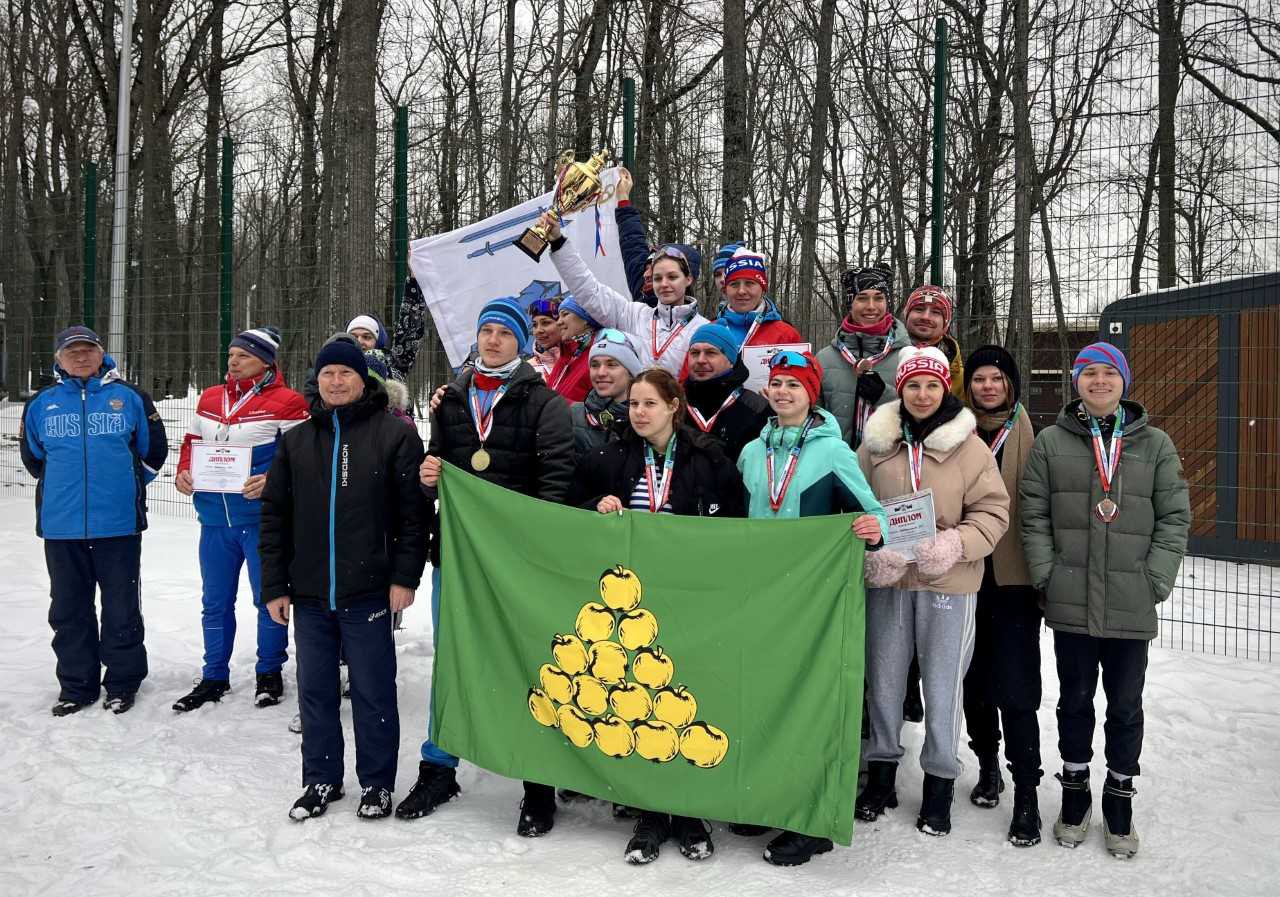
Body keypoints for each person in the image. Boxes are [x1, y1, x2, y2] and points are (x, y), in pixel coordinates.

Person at [397, 297, 575, 838]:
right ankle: (438, 764)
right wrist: (428, 475)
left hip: (517, 561)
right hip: (457, 553)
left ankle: (536, 780)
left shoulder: (544, 401)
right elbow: (439, 467)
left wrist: (534, 549)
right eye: (486, 330)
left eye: (504, 332)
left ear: (522, 341)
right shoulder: (451, 400)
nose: (493, 340)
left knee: (526, 659)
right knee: (453, 656)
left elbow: (557, 479)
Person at [1021, 342, 1189, 859]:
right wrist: (1048, 576)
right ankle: (1075, 792)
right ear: (1076, 382)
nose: (1099, 382)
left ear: (1124, 382)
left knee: (1126, 706)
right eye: (1089, 373)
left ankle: (1119, 798)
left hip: (1130, 601)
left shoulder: (1155, 444)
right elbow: (1034, 514)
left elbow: (1174, 519)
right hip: (1071, 600)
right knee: (1073, 701)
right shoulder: (1050, 442)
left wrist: (1154, 580)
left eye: (1108, 374)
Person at [572, 368, 744, 865]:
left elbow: (736, 522)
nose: (639, 413)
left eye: (649, 403)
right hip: (631, 602)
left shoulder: (708, 458)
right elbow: (565, 507)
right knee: (641, 701)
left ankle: (689, 812)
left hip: (690, 598)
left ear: (674, 405)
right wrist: (594, 505)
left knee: (684, 698)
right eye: (633, 405)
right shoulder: (609, 455)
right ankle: (649, 814)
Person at [260, 339, 426, 822]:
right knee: (315, 691)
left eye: (345, 374)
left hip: (369, 590)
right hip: (309, 594)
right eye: (328, 373)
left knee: (374, 691)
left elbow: (413, 517)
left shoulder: (393, 436)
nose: (336, 382)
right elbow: (274, 516)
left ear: (363, 380)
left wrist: (404, 577)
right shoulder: (296, 441)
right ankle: (321, 779)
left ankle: (376, 783)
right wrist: (274, 585)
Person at [737, 350, 888, 866]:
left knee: (809, 705)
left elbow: (872, 514)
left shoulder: (833, 451)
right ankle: (768, 799)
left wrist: (875, 530)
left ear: (811, 395)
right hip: (761, 595)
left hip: (814, 602)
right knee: (765, 699)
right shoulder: (751, 452)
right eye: (775, 384)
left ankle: (812, 819)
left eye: (792, 386)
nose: (781, 393)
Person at [854, 346, 1009, 839]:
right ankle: (880, 775)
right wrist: (871, 553)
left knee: (942, 686)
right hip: (890, 579)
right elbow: (853, 505)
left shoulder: (970, 448)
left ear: (945, 388)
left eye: (931, 385)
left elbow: (993, 513)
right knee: (883, 679)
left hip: (949, 581)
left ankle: (940, 780)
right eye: (913, 384)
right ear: (900, 388)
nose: (922, 394)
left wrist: (955, 543)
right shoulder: (875, 444)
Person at [20, 326, 168, 717]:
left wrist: (126, 484)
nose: (81, 357)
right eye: (72, 352)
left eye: (89, 350)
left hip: (118, 524)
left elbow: (154, 451)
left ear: (103, 354)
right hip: (61, 526)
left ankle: (122, 680)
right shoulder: (41, 404)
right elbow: (34, 459)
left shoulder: (130, 397)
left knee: (121, 607)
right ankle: (77, 684)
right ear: (58, 359)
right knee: (68, 609)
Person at [172, 327, 310, 713]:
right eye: (231, 354)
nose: (233, 361)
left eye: (244, 356)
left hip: (262, 521)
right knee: (214, 602)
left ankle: (269, 671)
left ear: (266, 362)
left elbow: (302, 460)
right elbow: (190, 445)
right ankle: (214, 674)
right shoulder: (211, 398)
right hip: (214, 519)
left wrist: (272, 482)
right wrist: (185, 471)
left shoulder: (289, 403)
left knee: (268, 599)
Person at [958, 345, 1042, 846]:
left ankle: (1027, 788)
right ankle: (988, 766)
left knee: (1016, 685)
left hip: (1014, 579)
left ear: (1011, 385)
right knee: (972, 680)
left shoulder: (1038, 440)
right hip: (966, 574)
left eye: (998, 379)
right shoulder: (956, 434)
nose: (988, 387)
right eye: (980, 379)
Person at [542, 211, 709, 376]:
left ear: (688, 279)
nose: (664, 284)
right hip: (635, 403)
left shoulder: (703, 329)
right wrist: (558, 242)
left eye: (672, 277)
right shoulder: (635, 315)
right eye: (657, 278)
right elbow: (589, 290)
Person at [817, 265, 912, 449]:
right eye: (862, 298)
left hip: (890, 466)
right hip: (837, 466)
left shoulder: (907, 356)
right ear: (850, 303)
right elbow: (811, 420)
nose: (871, 306)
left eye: (879, 298)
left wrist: (884, 395)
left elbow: (923, 415)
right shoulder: (825, 359)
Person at [612, 169, 702, 307]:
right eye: (647, 269)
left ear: (687, 279)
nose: (646, 275)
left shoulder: (700, 327)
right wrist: (623, 196)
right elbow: (632, 242)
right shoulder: (641, 292)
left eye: (654, 270)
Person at [682, 322, 770, 461]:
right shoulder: (673, 403)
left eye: (711, 353)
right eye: (694, 353)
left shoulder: (757, 408)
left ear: (731, 361)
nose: (700, 360)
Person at [569, 328, 642, 461]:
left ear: (632, 372)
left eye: (611, 365)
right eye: (595, 365)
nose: (601, 373)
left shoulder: (647, 418)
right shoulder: (573, 415)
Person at [715, 248, 803, 354]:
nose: (741, 291)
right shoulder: (710, 330)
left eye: (749, 283)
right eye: (734, 284)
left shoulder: (786, 334)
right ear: (725, 290)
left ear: (763, 289)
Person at [346, 273, 428, 381]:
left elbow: (409, 333)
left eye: (367, 337)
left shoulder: (390, 368)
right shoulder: (330, 368)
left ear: (378, 342)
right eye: (353, 337)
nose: (359, 341)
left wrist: (414, 282)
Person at [901, 285, 964, 399]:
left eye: (935, 312)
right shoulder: (883, 357)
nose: (926, 317)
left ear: (946, 323)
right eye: (919, 309)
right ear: (906, 315)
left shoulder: (961, 377)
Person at [545, 296, 599, 403]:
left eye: (565, 314)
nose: (558, 322)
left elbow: (596, 411)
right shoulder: (567, 355)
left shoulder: (598, 356)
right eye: (558, 317)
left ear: (585, 318)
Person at [528, 297, 562, 376]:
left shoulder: (585, 360)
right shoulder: (528, 369)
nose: (538, 330)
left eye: (545, 323)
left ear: (562, 323)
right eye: (534, 325)